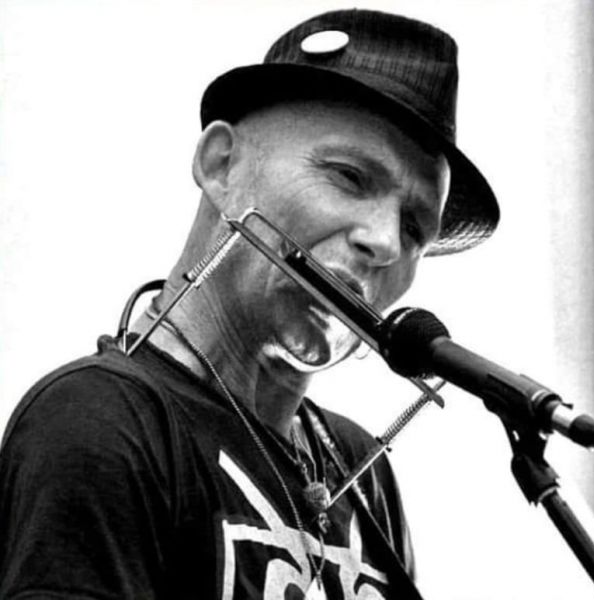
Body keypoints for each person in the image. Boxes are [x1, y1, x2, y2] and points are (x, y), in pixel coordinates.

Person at [0, 9, 498, 600]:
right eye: (349, 176)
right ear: (221, 166)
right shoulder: (101, 420)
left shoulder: (362, 468)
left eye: (415, 228)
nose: (386, 243)